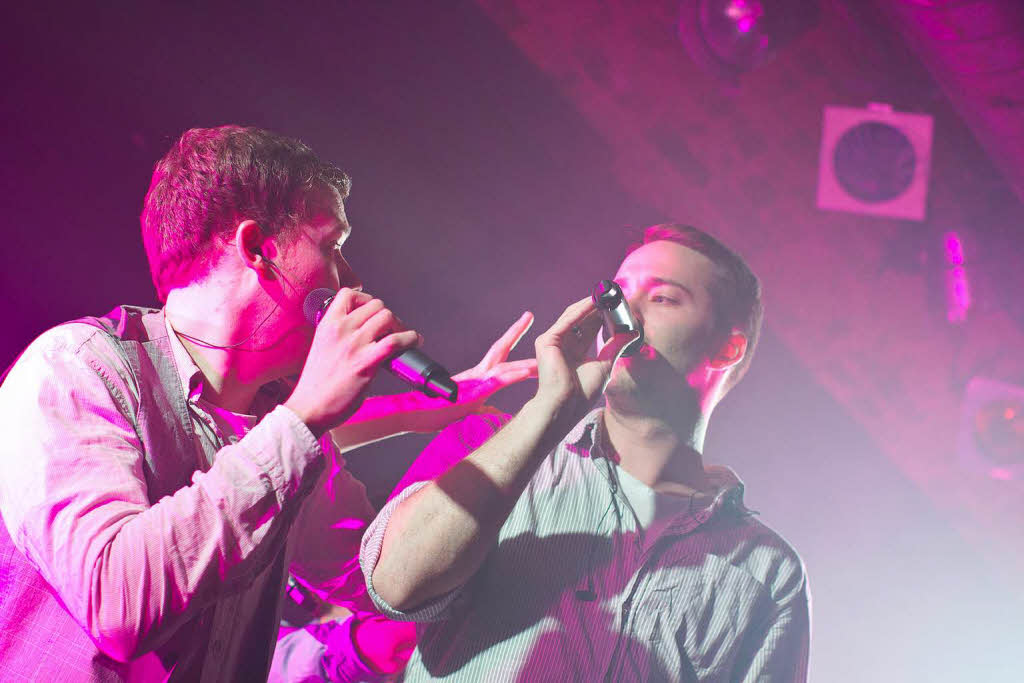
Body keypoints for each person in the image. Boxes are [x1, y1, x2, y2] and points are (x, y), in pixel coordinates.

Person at [0, 125, 533, 681]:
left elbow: (373, 578)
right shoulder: (77, 367)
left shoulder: (279, 425)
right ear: (258, 249)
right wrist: (303, 420)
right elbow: (117, 606)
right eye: (332, 247)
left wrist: (496, 447)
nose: (350, 278)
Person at [360, 224, 811, 681]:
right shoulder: (494, 447)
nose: (623, 312)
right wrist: (549, 410)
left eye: (664, 298)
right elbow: (395, 587)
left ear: (727, 348)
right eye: (617, 292)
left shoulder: (767, 571)